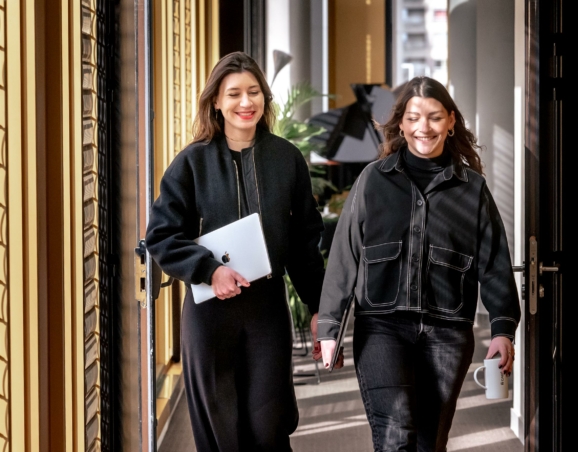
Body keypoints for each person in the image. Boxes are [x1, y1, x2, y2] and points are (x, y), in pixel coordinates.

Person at [316, 76, 521, 451]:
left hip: (447, 333)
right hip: (382, 328)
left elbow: (494, 264)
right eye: (413, 118)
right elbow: (344, 255)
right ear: (401, 124)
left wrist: (502, 329)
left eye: (434, 117)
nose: (423, 127)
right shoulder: (373, 181)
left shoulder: (472, 189)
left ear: (451, 122)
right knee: (395, 437)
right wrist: (329, 329)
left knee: (430, 443)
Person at [146, 51, 325, 451]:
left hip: (266, 311)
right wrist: (209, 270)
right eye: (234, 94)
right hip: (209, 313)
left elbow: (303, 243)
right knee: (219, 431)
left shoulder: (286, 159)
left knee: (269, 425)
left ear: (265, 98)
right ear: (216, 102)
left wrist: (318, 306)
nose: (246, 103)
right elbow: (161, 236)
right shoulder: (191, 163)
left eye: (254, 92)